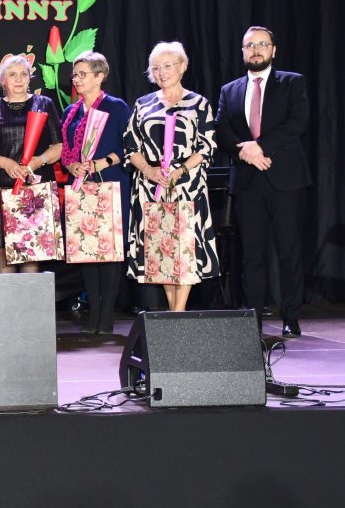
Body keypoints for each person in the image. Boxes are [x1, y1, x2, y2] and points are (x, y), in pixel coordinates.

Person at [215, 26, 310, 338]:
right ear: (243, 51)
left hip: (285, 179)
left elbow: (297, 123)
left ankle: (291, 316)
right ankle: (252, 318)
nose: (255, 50)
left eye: (262, 44)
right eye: (249, 45)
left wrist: (260, 146)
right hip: (247, 181)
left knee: (289, 251)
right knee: (252, 255)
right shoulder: (229, 90)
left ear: (273, 50)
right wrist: (246, 153)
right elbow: (222, 130)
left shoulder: (292, 83)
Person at [124, 42, 219, 311]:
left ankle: (179, 313)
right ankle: (172, 313)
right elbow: (130, 147)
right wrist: (149, 171)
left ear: (182, 67)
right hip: (150, 185)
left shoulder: (198, 103)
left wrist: (181, 170)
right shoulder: (143, 104)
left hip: (186, 185)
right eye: (156, 68)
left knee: (184, 249)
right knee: (161, 249)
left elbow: (207, 146)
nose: (162, 72)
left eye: (168, 65)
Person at [60, 51, 131, 334]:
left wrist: (104, 162)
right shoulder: (71, 111)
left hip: (109, 182)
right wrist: (72, 165)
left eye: (83, 74)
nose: (76, 79)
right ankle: (94, 313)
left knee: (109, 251)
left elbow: (130, 147)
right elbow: (66, 151)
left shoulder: (116, 107)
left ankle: (107, 313)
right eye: (75, 74)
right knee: (86, 251)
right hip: (80, 185)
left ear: (100, 76)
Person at [0, 55, 62, 273]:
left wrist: (38, 161)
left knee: (32, 251)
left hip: (35, 189)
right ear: (3, 81)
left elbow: (59, 146)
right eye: (12, 75)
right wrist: (5, 163)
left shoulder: (44, 104)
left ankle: (30, 298)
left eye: (23, 74)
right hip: (1, 191)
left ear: (29, 78)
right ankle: (6, 298)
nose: (18, 79)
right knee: (4, 253)